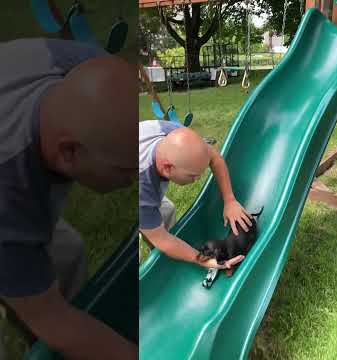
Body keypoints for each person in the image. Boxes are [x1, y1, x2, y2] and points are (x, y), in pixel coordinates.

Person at [0, 38, 137, 359]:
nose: (133, 182)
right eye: (125, 170)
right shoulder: (9, 198)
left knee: (68, 253)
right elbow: (53, 321)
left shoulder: (79, 63)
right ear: (69, 152)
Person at [139, 120, 252, 269]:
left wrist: (230, 200)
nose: (197, 179)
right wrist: (203, 260)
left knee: (166, 211)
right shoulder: (142, 189)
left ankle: (172, 255)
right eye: (192, 176)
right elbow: (162, 240)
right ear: (167, 167)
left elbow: (215, 158)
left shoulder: (174, 133)